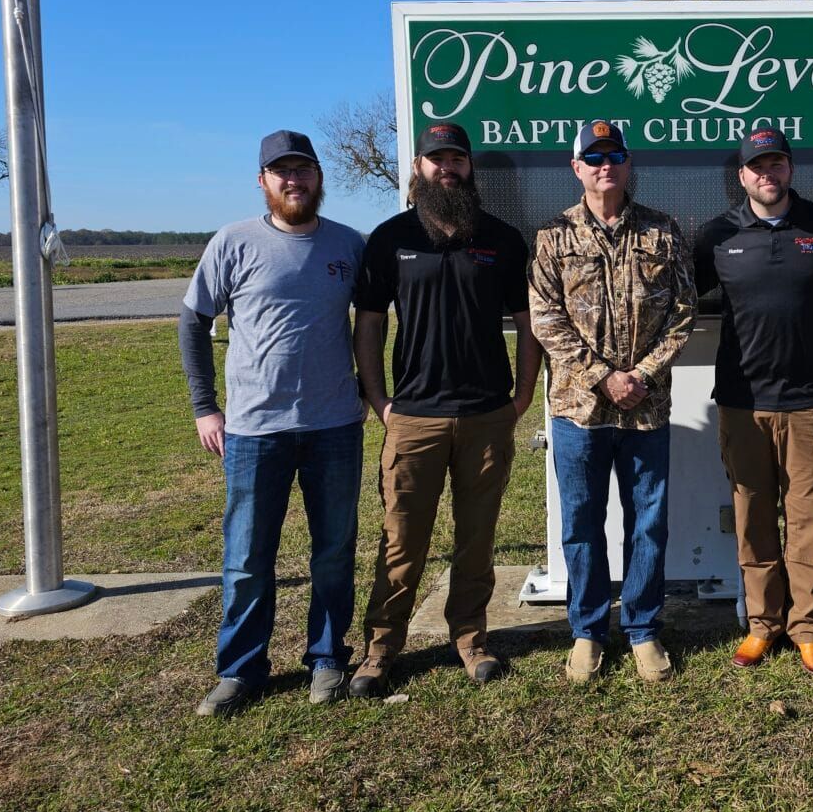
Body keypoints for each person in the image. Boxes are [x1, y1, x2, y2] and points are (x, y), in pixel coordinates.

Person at [349, 121, 540, 695]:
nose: (447, 168)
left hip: (486, 414)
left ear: (469, 167)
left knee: (476, 539)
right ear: (418, 168)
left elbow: (530, 326)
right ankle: (380, 649)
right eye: (437, 159)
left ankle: (470, 638)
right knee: (402, 541)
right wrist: (379, 399)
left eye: (457, 158)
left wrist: (523, 396)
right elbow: (370, 325)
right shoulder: (389, 238)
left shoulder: (502, 239)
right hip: (414, 416)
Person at [180, 130, 365, 716]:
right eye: (281, 172)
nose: (294, 180)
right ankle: (240, 670)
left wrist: (371, 390)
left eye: (303, 170)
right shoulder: (233, 242)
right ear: (262, 182)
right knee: (247, 558)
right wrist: (205, 407)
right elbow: (192, 324)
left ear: (318, 177)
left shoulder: (349, 245)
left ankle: (328, 657)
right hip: (255, 429)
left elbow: (377, 319)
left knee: (334, 551)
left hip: (335, 424)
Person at [693, 127, 813, 675]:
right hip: (742, 402)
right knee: (752, 517)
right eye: (756, 166)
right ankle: (762, 625)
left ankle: (809, 629)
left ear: (790, 169)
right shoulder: (716, 235)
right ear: (741, 176)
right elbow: (673, 299)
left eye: (777, 163)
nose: (767, 174)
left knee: (810, 518)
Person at [529, 121, 696, 684]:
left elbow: (683, 314)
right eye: (594, 157)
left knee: (649, 522)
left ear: (628, 166)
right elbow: (545, 318)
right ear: (576, 168)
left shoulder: (663, 231)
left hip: (647, 407)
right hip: (579, 410)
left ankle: (644, 629)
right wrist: (605, 378)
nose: (606, 166)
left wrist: (641, 375)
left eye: (615, 156)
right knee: (581, 523)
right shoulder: (552, 236)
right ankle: (587, 631)